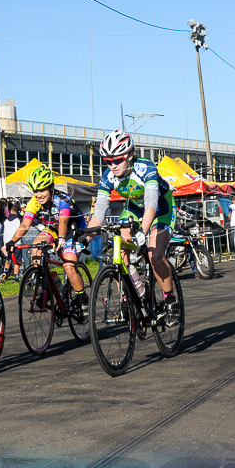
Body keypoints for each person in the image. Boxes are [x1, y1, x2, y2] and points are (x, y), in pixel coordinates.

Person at [85, 129, 181, 325]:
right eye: (108, 161)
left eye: (117, 160)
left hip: (161, 208)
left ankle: (170, 299)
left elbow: (151, 205)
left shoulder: (146, 168)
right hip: (134, 209)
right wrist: (82, 240)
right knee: (119, 253)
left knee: (155, 256)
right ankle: (136, 292)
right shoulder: (107, 177)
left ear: (129, 155)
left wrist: (143, 233)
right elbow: (99, 214)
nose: (112, 165)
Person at [1, 164, 89, 312]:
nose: (38, 194)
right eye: (35, 191)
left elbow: (63, 221)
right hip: (53, 229)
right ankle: (52, 285)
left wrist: (61, 239)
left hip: (72, 230)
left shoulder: (62, 199)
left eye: (42, 190)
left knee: (68, 266)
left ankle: (82, 298)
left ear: (51, 188)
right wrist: (12, 241)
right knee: (36, 250)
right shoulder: (34, 202)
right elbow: (25, 223)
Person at [1, 199, 24, 281]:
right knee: (17, 261)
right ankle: (16, 276)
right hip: (17, 243)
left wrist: (2, 245)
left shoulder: (5, 221)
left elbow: (1, 233)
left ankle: (5, 273)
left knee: (8, 259)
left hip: (6, 243)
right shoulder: (20, 220)